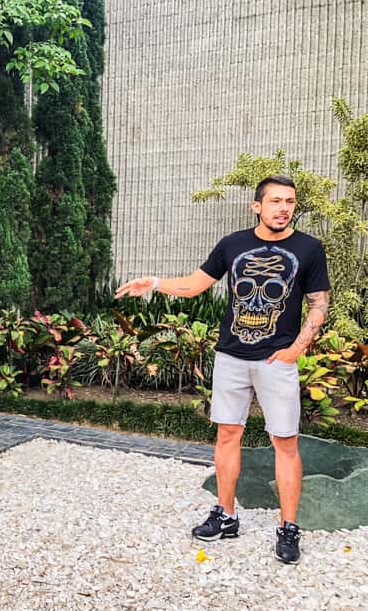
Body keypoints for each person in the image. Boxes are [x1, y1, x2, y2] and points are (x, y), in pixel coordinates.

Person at [115, 175, 330, 565]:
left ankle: (288, 527)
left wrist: (296, 350)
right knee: (227, 434)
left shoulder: (309, 248)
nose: (284, 208)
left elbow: (319, 303)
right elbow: (196, 284)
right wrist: (155, 283)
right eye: (276, 201)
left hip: (276, 361)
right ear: (257, 206)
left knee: (285, 441)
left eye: (290, 201)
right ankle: (226, 515)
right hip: (231, 357)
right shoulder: (233, 244)